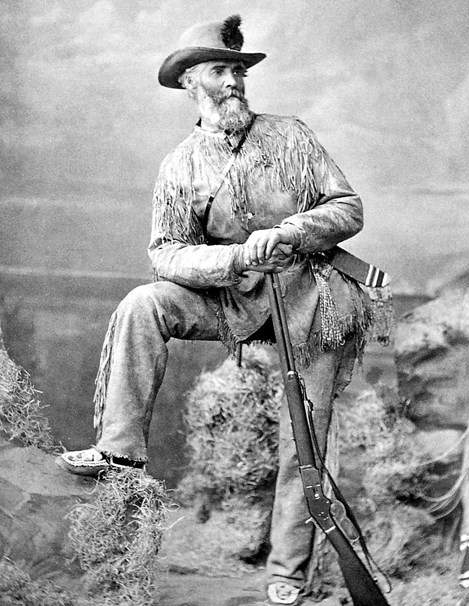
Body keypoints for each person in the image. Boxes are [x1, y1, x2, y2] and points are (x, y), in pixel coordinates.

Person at [59, 15, 378, 605]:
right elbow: (166, 253)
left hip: (313, 301)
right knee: (143, 305)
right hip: (234, 301)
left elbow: (348, 207)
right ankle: (121, 450)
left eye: (238, 70)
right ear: (189, 82)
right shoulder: (180, 164)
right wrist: (230, 261)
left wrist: (292, 230)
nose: (234, 81)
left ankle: (287, 570)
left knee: (302, 440)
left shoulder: (291, 137)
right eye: (220, 70)